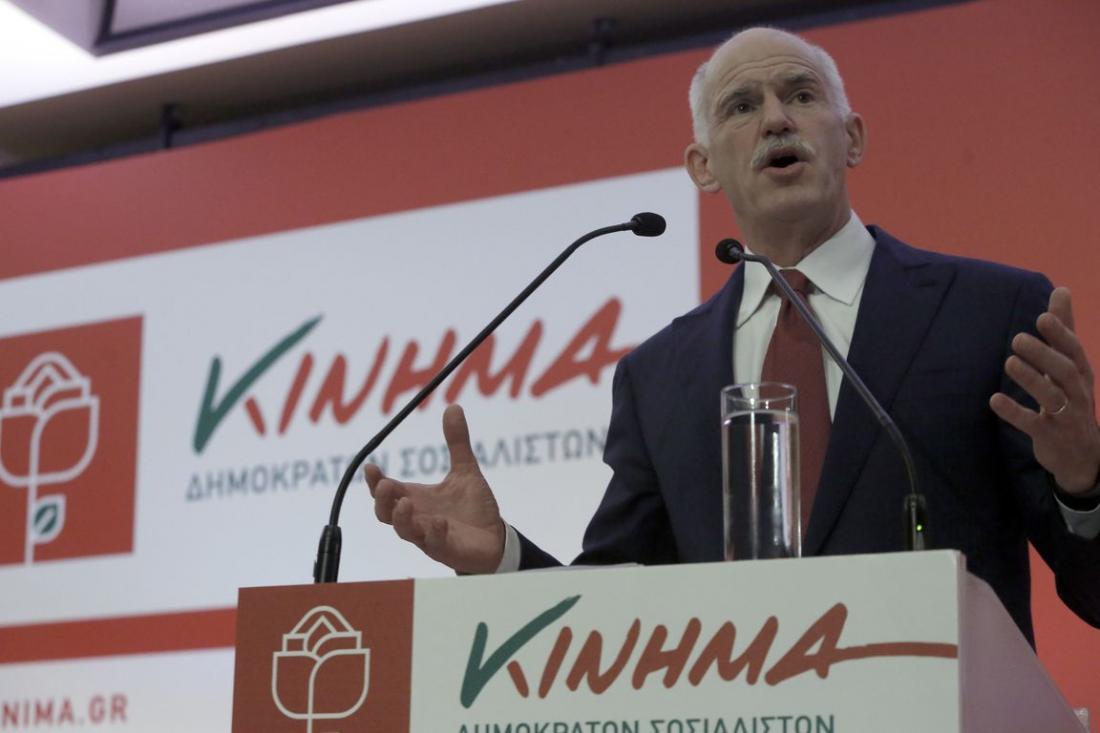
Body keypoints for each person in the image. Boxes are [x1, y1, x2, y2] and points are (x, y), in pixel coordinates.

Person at [366, 27, 1100, 643]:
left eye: (801, 95)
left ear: (851, 138)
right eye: (742, 106)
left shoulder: (990, 310)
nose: (776, 120)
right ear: (703, 167)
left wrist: (1084, 484)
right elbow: (612, 609)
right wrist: (502, 557)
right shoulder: (659, 376)